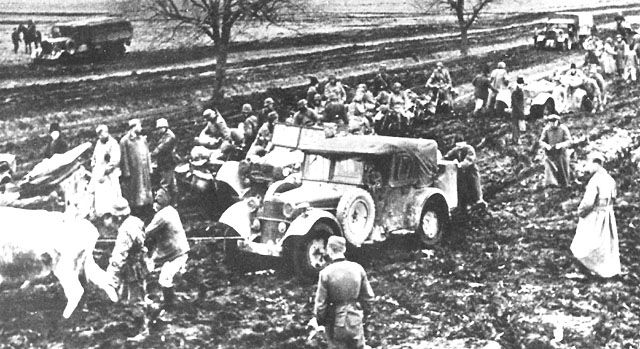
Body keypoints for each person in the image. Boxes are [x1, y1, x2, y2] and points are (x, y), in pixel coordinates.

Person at [312, 236, 374, 349]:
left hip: (335, 321)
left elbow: (320, 305)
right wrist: (365, 315)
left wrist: (321, 322)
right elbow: (369, 298)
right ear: (344, 249)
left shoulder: (325, 273)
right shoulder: (358, 269)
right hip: (355, 318)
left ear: (329, 250)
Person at [570, 152, 620, 279]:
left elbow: (588, 202)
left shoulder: (595, 180)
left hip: (596, 214)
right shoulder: (610, 179)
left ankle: (587, 269)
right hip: (608, 214)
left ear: (595, 163)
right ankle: (606, 270)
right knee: (605, 242)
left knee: (584, 242)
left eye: (588, 164)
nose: (587, 168)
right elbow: (614, 197)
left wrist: (580, 212)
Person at [144, 190, 190, 315]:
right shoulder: (171, 210)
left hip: (175, 253)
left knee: (164, 279)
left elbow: (147, 232)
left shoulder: (162, 216)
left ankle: (170, 307)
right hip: (177, 249)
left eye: (156, 203)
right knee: (160, 271)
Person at [105, 198, 147, 303]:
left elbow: (119, 255)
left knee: (135, 298)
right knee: (136, 290)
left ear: (118, 216)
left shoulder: (125, 230)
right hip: (140, 262)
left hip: (132, 267)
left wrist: (110, 277)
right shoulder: (136, 221)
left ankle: (138, 315)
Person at [120, 118, 153, 219]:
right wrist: (126, 172)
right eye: (139, 126)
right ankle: (137, 211)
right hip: (134, 170)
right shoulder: (125, 141)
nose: (141, 128)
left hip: (144, 169)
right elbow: (124, 157)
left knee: (146, 188)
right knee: (136, 191)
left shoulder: (143, 139)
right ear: (134, 127)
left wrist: (150, 167)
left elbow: (148, 154)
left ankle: (147, 208)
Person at [443, 135, 486, 210]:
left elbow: (469, 159)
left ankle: (479, 201)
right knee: (463, 189)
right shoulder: (455, 150)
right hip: (462, 174)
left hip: (471, 172)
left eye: (460, 144)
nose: (459, 146)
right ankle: (465, 205)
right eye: (457, 144)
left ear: (464, 143)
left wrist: (461, 164)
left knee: (474, 186)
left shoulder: (469, 149)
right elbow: (447, 156)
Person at [90, 125, 123, 218]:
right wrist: (93, 165)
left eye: (102, 133)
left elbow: (115, 160)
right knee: (100, 195)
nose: (100, 136)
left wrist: (105, 171)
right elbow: (94, 157)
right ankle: (101, 214)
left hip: (109, 175)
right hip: (98, 174)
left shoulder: (113, 143)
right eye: (99, 135)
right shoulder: (98, 143)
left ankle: (113, 214)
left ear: (107, 132)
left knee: (111, 194)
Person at [539, 114, 572, 188]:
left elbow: (569, 141)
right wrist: (546, 146)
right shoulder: (547, 129)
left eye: (554, 122)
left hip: (561, 152)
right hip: (550, 153)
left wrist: (561, 145)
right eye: (550, 122)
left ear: (558, 121)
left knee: (563, 169)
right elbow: (541, 141)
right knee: (549, 167)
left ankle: (565, 185)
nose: (552, 124)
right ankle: (552, 184)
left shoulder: (563, 129)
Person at [151, 118, 177, 205]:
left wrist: (151, 154)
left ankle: (162, 203)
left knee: (164, 184)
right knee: (172, 184)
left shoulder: (169, 136)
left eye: (159, 128)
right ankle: (174, 203)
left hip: (167, 163)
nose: (158, 130)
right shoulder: (165, 135)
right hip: (166, 163)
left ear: (164, 127)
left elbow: (160, 148)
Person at [510, 76, 525, 145]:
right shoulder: (517, 92)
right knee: (516, 126)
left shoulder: (517, 91)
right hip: (517, 111)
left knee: (516, 126)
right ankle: (516, 140)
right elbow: (515, 103)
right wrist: (521, 112)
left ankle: (515, 139)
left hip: (516, 111)